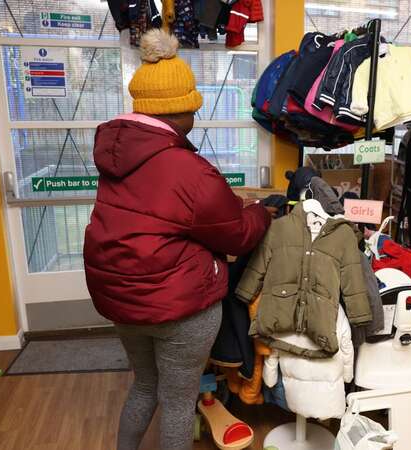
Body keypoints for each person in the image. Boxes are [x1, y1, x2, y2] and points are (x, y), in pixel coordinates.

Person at [83, 29, 271, 450]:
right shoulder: (187, 169)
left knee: (145, 387)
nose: (195, 118)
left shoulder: (116, 155)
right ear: (178, 111)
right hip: (177, 306)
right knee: (178, 401)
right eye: (192, 109)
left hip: (122, 301)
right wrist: (260, 212)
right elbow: (238, 236)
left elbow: (159, 215)